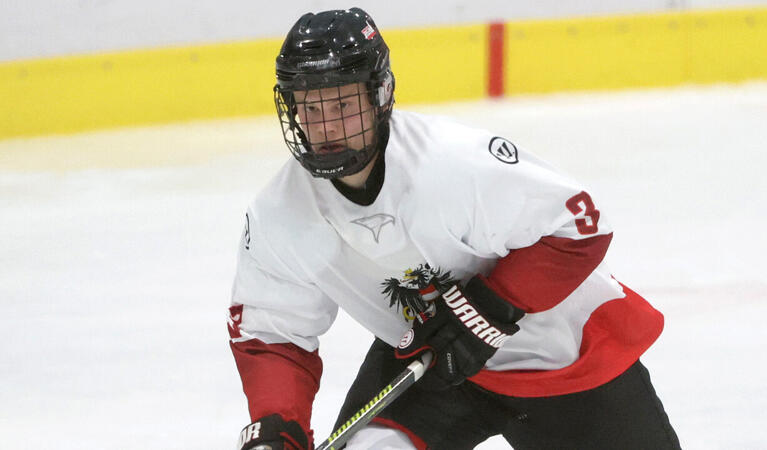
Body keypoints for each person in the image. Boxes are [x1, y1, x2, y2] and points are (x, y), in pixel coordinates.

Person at [228, 7, 680, 450]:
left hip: (561, 360)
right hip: (433, 363)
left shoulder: (453, 165)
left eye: (342, 103)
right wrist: (275, 428)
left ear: (379, 95)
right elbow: (271, 333)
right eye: (309, 106)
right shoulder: (279, 212)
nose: (324, 126)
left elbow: (579, 227)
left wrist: (487, 308)